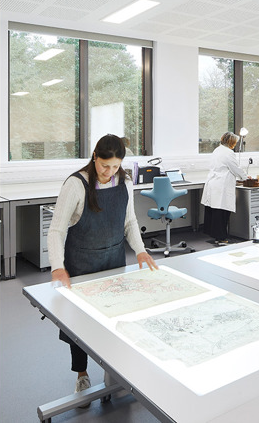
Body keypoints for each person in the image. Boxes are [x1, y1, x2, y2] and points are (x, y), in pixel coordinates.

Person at [47, 134, 158, 403]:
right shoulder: (76, 185)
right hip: (82, 263)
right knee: (79, 326)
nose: (109, 172)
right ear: (95, 157)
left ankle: (114, 372)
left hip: (113, 261)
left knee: (114, 318)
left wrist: (140, 250)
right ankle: (82, 374)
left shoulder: (125, 182)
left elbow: (129, 221)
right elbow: (57, 230)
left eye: (115, 167)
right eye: (104, 166)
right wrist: (57, 267)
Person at [202, 132, 247, 246]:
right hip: (221, 185)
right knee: (222, 213)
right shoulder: (228, 153)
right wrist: (245, 177)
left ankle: (218, 237)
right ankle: (222, 238)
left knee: (216, 212)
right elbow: (235, 168)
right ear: (231, 142)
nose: (235, 144)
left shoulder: (217, 150)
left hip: (214, 182)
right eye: (235, 142)